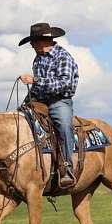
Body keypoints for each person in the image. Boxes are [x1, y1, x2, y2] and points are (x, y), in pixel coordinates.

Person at [18, 22, 79, 188]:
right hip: (40, 101)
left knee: (64, 126)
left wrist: (36, 80)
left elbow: (65, 83)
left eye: (34, 41)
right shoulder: (38, 59)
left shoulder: (63, 57)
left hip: (60, 101)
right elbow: (37, 88)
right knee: (19, 123)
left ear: (45, 40)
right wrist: (26, 103)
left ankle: (67, 168)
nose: (32, 45)